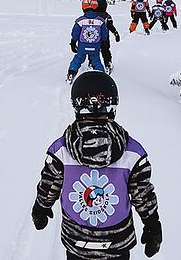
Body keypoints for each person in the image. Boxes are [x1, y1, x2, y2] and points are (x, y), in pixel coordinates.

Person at [32, 71, 163, 260]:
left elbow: (50, 184)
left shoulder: (61, 150)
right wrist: (152, 224)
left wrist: (41, 208)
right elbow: (142, 194)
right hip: (117, 243)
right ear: (112, 106)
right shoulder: (132, 153)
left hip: (76, 241)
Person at [68, 0, 110, 83]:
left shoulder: (80, 20)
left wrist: (73, 42)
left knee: (77, 59)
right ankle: (102, 77)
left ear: (83, 7)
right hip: (95, 46)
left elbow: (75, 33)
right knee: (96, 61)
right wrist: (104, 41)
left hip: (82, 46)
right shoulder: (100, 21)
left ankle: (71, 73)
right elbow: (104, 33)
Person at [95, 0, 121, 73]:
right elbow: (111, 26)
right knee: (106, 51)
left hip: (94, 38)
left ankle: (92, 64)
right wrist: (116, 33)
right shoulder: (107, 16)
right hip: (105, 38)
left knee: (94, 52)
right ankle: (108, 64)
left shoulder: (93, 15)